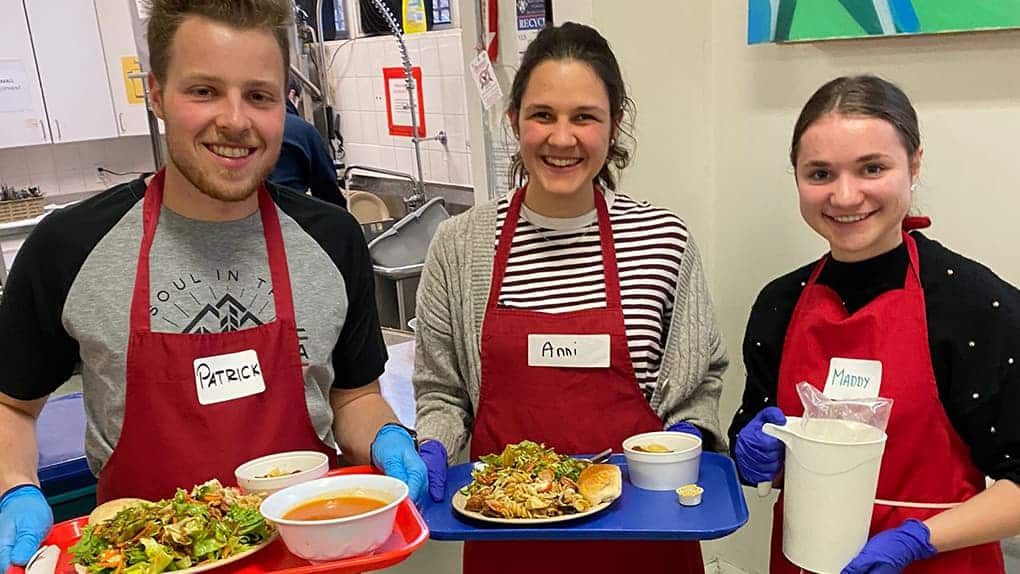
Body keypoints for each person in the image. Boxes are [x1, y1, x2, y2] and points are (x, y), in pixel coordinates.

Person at [0, 2, 425, 570]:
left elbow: (354, 396)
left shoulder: (332, 239)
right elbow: (13, 406)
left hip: (310, 557)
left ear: (285, 105)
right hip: (140, 560)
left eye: (259, 95)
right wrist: (14, 486)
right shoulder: (68, 246)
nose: (234, 120)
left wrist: (385, 439)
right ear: (155, 92)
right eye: (203, 91)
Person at [412, 22, 728, 574]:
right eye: (543, 115)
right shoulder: (460, 245)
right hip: (506, 537)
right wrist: (433, 444)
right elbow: (441, 391)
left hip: (644, 535)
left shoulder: (663, 240)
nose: (563, 138)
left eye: (584, 116)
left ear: (615, 125)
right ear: (514, 121)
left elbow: (698, 383)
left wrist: (684, 439)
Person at [729, 75, 1020, 573]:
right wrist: (754, 453)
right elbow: (761, 435)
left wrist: (917, 539)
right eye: (819, 174)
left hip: (938, 562)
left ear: (914, 164)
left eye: (871, 168)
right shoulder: (779, 304)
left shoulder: (974, 305)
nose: (845, 196)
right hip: (805, 561)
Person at [268, 76, 347, 208]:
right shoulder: (301, 130)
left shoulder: (249, 126)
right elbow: (327, 190)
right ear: (292, 95)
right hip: (292, 214)